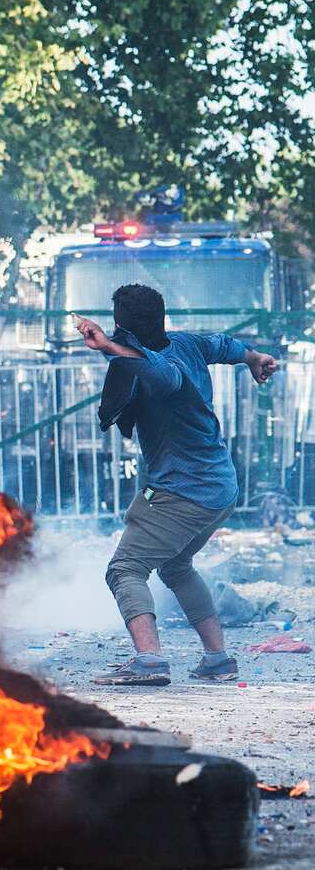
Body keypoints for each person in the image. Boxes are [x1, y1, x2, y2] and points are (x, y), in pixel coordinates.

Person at [75, 284, 278, 686]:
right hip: (221, 487)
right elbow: (223, 345)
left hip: (185, 492)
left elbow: (159, 373)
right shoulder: (189, 343)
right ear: (162, 315)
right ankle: (218, 660)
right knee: (176, 566)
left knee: (125, 568)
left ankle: (149, 660)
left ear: (120, 326)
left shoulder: (164, 367)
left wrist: (107, 348)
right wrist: (254, 357)